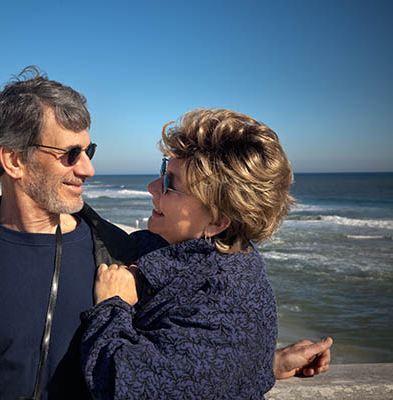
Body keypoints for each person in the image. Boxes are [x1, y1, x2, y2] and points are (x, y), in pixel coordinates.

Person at [0, 69, 330, 400]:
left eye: (89, 149)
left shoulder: (125, 258)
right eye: (69, 154)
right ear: (13, 160)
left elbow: (180, 364)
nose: (89, 167)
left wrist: (261, 364)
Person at [80, 109, 331, 399]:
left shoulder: (227, 301)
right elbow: (200, 367)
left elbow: (119, 386)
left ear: (216, 221)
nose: (151, 188)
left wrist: (112, 306)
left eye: (169, 185)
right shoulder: (188, 253)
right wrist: (263, 363)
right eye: (163, 172)